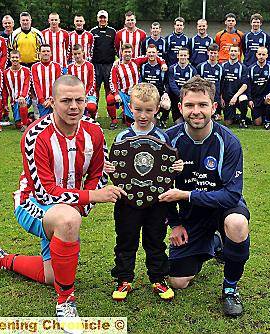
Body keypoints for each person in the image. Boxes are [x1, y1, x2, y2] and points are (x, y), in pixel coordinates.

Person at [0, 74, 126, 322]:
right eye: (66, 100)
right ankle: (66, 302)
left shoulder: (94, 132)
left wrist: (86, 202)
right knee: (67, 220)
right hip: (33, 203)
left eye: (80, 100)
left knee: (52, 276)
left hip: (68, 205)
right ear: (51, 101)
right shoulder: (35, 135)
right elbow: (45, 191)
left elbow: (98, 172)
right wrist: (90, 197)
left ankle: (1, 259)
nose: (74, 106)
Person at [158, 76, 251, 317]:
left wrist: (188, 195)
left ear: (214, 107)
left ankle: (230, 288)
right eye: (190, 105)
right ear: (180, 108)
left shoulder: (229, 142)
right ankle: (215, 244)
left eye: (202, 105)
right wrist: (175, 223)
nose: (196, 111)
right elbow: (162, 189)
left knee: (237, 224)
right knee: (177, 281)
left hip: (223, 209)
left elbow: (231, 195)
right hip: (191, 215)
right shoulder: (168, 140)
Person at [107, 82, 183, 301]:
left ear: (157, 109)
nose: (143, 115)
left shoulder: (163, 138)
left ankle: (158, 278)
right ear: (130, 107)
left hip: (156, 202)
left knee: (155, 240)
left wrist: (176, 168)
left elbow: (167, 170)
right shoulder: (122, 138)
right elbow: (117, 167)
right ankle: (123, 279)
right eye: (138, 109)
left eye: (148, 110)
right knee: (125, 240)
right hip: (127, 200)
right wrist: (110, 168)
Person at [107, 43, 166, 129]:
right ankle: (114, 120)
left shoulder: (136, 61)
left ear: (132, 52)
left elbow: (152, 56)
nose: (127, 54)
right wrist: (116, 94)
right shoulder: (116, 66)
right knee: (110, 99)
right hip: (122, 93)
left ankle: (126, 115)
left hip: (135, 94)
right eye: (125, 52)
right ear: (121, 53)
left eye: (129, 52)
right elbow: (113, 82)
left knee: (130, 123)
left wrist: (163, 63)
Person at [140, 44, 171, 128]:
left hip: (160, 93)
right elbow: (141, 82)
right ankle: (154, 116)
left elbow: (167, 82)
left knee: (166, 105)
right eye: (149, 52)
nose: (151, 54)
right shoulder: (143, 67)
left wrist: (166, 93)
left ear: (157, 53)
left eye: (153, 52)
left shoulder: (162, 67)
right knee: (152, 124)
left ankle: (163, 119)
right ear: (146, 53)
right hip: (148, 95)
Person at [90, 10, 116, 110]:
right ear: (97, 19)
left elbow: (116, 47)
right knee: (95, 89)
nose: (102, 19)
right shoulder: (93, 32)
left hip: (109, 65)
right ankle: (94, 112)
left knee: (109, 90)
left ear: (107, 19)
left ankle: (111, 114)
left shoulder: (112, 31)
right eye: (101, 18)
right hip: (96, 65)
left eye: (104, 17)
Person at [248, 46, 270, 130]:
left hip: (266, 96)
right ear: (256, 55)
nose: (261, 56)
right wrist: (250, 99)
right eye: (259, 54)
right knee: (257, 123)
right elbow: (248, 85)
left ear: (267, 55)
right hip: (255, 98)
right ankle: (264, 115)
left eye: (263, 54)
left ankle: (268, 121)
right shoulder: (251, 68)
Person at [2, 50, 32, 132]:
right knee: (18, 124)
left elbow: (26, 84)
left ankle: (25, 125)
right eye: (13, 57)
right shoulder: (5, 73)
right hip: (13, 101)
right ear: (9, 58)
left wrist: (23, 96)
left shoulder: (26, 71)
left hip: (25, 98)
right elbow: (4, 90)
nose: (15, 59)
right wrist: (5, 104)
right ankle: (30, 118)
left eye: (16, 57)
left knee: (22, 102)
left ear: (20, 58)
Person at [31, 44, 63, 118]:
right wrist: (42, 101)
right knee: (46, 121)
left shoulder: (57, 66)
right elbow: (36, 85)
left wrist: (52, 99)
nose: (46, 53)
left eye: (48, 51)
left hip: (55, 100)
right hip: (43, 102)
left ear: (51, 53)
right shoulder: (35, 67)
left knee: (58, 121)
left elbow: (58, 85)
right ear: (39, 53)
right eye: (43, 51)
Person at [221, 45, 249, 127]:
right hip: (227, 98)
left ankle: (243, 119)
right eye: (232, 51)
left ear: (239, 53)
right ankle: (237, 117)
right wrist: (221, 96)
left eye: (235, 51)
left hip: (238, 96)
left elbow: (245, 85)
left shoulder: (243, 67)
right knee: (228, 123)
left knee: (243, 98)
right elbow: (220, 83)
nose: (233, 53)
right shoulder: (223, 66)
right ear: (229, 52)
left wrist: (235, 96)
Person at [167, 47, 197, 124]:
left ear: (188, 56)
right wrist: (180, 94)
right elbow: (172, 84)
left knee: (188, 122)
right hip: (175, 97)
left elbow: (192, 85)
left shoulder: (192, 70)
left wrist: (185, 94)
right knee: (179, 123)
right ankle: (165, 118)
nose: (183, 57)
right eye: (181, 55)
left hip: (188, 97)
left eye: (184, 55)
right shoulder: (172, 68)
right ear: (178, 56)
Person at [67, 44, 97, 118]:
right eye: (75, 54)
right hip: (75, 95)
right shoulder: (70, 67)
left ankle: (92, 116)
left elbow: (92, 83)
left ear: (83, 53)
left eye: (79, 53)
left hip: (89, 94)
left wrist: (84, 95)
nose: (77, 56)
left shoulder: (90, 66)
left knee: (91, 107)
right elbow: (69, 84)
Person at [197, 43, 223, 120]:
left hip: (216, 96)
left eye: (215, 53)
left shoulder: (221, 68)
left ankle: (216, 113)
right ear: (208, 52)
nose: (213, 55)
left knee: (217, 119)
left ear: (218, 54)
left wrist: (221, 97)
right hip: (204, 95)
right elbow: (198, 82)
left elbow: (222, 83)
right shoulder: (200, 66)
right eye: (211, 53)